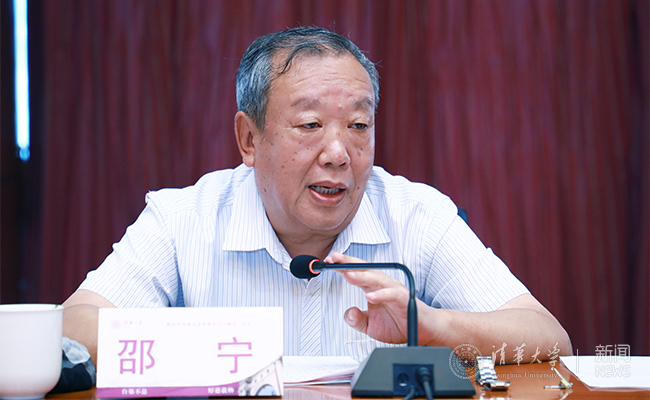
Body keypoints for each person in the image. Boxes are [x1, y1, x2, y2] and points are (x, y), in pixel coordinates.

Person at [62, 26, 572, 365]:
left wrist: (432, 326)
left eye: (358, 125)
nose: (338, 153)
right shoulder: (181, 219)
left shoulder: (417, 214)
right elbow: (72, 329)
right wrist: (216, 346)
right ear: (249, 139)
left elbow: (547, 337)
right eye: (309, 125)